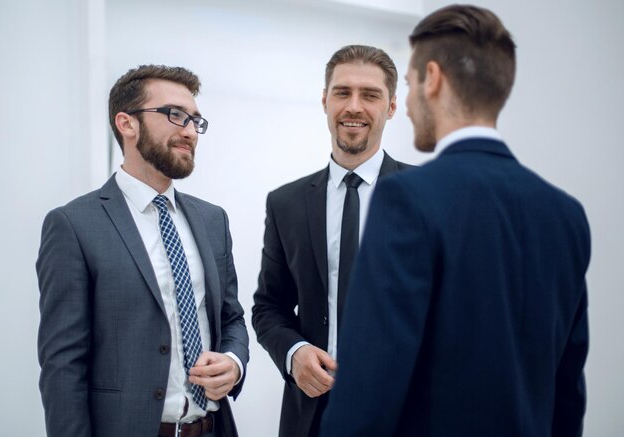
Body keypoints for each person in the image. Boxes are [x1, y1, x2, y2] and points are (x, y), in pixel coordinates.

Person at [320, 5, 590, 437]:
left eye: (407, 85)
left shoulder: (406, 199)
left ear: (434, 79)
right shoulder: (566, 214)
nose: (405, 104)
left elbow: (367, 395)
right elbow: (568, 392)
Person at [37, 65, 249, 437]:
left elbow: (231, 318)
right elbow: (63, 366)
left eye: (195, 121)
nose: (189, 131)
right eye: (175, 115)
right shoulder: (73, 225)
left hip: (214, 428)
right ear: (126, 123)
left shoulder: (213, 220)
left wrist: (233, 361)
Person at [251, 45, 412, 437]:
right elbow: (268, 306)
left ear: (391, 107)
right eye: (342, 92)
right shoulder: (285, 203)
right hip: (313, 417)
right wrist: (294, 353)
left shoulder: (428, 196)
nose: (354, 106)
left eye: (370, 95)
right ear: (325, 101)